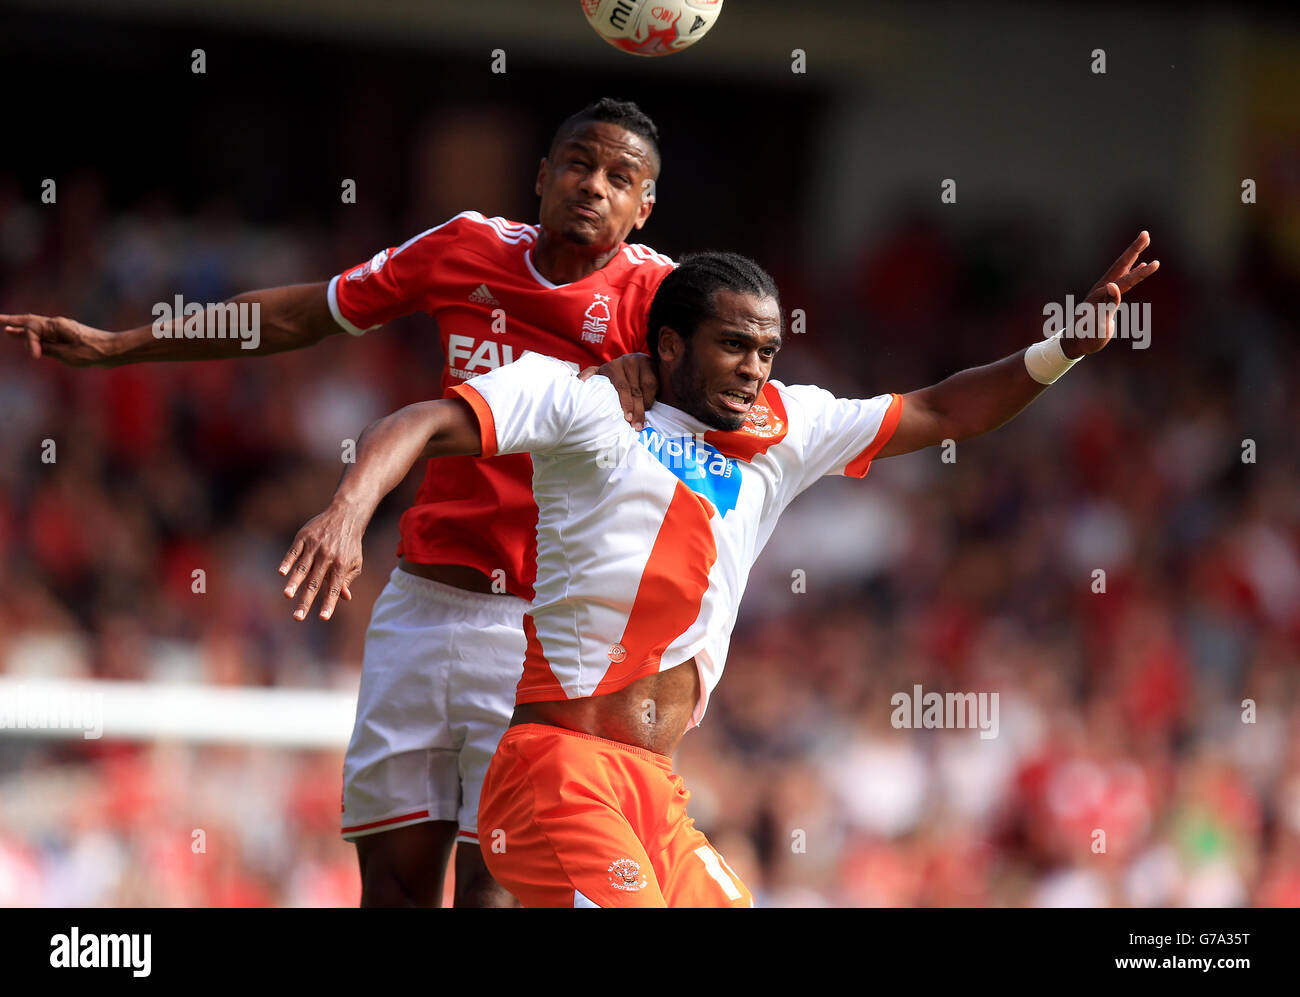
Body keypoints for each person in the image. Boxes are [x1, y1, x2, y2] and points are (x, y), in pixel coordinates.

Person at [282, 238, 1159, 906]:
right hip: (556, 770)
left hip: (654, 792)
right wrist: (350, 510)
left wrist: (1061, 350)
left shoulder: (787, 427)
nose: (754, 368)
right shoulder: (586, 404)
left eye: (768, 350)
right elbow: (425, 421)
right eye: (733, 345)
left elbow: (939, 408)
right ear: (667, 344)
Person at [2, 98, 674, 907]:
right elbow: (302, 315)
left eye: (619, 177)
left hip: (546, 634)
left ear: (645, 207)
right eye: (578, 163)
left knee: (495, 891)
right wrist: (123, 347)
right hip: (423, 611)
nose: (592, 186)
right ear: (540, 176)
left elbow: (755, 407)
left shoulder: (666, 305)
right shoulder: (466, 247)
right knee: (390, 891)